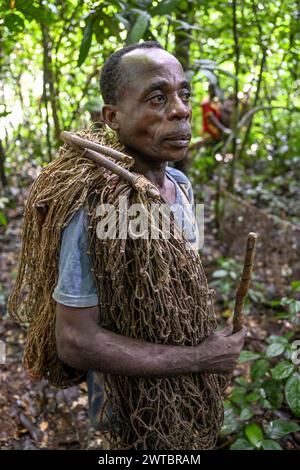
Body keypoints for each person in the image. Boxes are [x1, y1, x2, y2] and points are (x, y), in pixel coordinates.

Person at [9, 41, 245, 450]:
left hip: (186, 396)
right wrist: (202, 358)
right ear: (113, 117)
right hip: (131, 410)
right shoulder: (94, 205)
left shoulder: (181, 187)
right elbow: (75, 341)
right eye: (157, 97)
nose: (182, 109)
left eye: (183, 94)